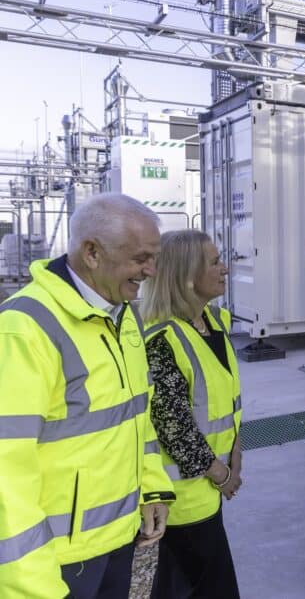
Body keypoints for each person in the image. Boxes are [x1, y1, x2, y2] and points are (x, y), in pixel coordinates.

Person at [0, 193, 176, 598]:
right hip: (57, 562)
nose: (151, 271)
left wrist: (151, 488)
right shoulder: (25, 330)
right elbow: (7, 474)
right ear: (92, 252)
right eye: (140, 258)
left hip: (117, 539)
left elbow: (135, 415)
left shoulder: (121, 311)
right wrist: (33, 587)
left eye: (154, 257)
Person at [140, 230, 242, 598]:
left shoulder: (213, 324)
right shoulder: (162, 341)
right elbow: (176, 430)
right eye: (214, 262)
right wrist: (223, 475)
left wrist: (237, 454)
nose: (225, 268)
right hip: (183, 503)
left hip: (209, 493)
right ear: (185, 276)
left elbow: (228, 403)